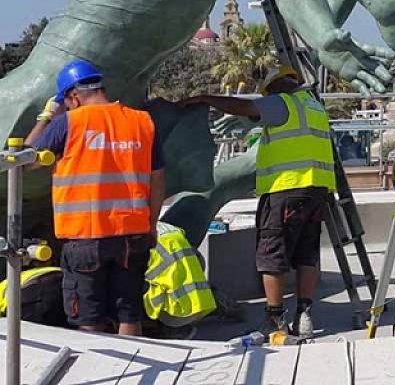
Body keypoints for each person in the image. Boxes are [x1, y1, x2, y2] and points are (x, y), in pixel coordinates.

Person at [184, 64, 335, 339]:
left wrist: (207, 99)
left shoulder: (282, 103)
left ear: (276, 87)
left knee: (272, 254)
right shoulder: (314, 107)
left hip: (286, 187)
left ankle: (275, 319)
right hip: (316, 189)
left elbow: (247, 108)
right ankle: (304, 316)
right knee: (306, 254)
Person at [26, 59, 165, 336]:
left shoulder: (70, 122)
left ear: (73, 97)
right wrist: (150, 226)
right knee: (129, 313)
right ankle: (130, 366)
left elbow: (27, 158)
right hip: (132, 234)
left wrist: (46, 117)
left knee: (88, 318)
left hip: (86, 236)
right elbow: (158, 179)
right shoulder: (141, 122)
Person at [143, 222, 217, 337]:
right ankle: (214, 298)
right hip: (194, 273)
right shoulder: (163, 226)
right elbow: (199, 261)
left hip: (174, 309)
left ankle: (174, 329)